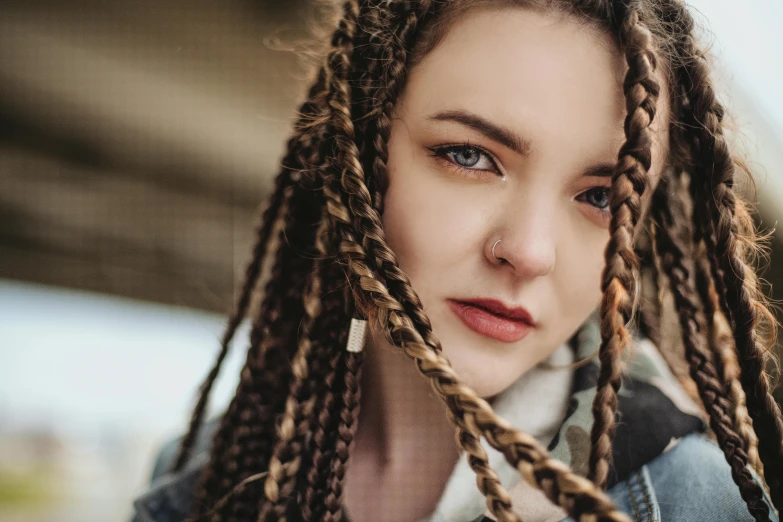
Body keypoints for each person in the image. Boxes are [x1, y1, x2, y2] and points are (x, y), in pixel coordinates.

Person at [130, 1, 782, 521]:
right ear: (357, 151)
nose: (527, 251)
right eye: (469, 156)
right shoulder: (202, 473)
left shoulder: (687, 499)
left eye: (600, 197)